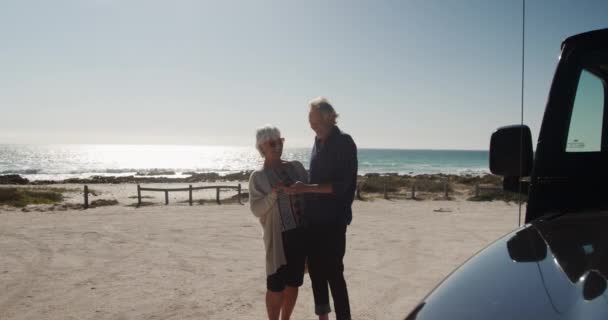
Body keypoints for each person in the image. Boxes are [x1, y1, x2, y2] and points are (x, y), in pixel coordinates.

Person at [284, 97, 358, 320]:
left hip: (334, 221)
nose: (310, 125)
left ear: (328, 117)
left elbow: (340, 186)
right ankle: (322, 317)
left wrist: (304, 188)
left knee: (334, 273)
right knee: (315, 272)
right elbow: (314, 178)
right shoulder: (317, 142)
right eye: (309, 121)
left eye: (313, 120)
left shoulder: (344, 142)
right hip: (313, 220)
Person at [249, 125, 309, 320]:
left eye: (280, 141)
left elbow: (310, 194)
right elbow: (256, 209)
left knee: (293, 283)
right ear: (262, 148)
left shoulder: (296, 167)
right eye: (272, 143)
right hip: (278, 237)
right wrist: (273, 195)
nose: (277, 146)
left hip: (301, 234)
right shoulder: (258, 176)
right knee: (275, 285)